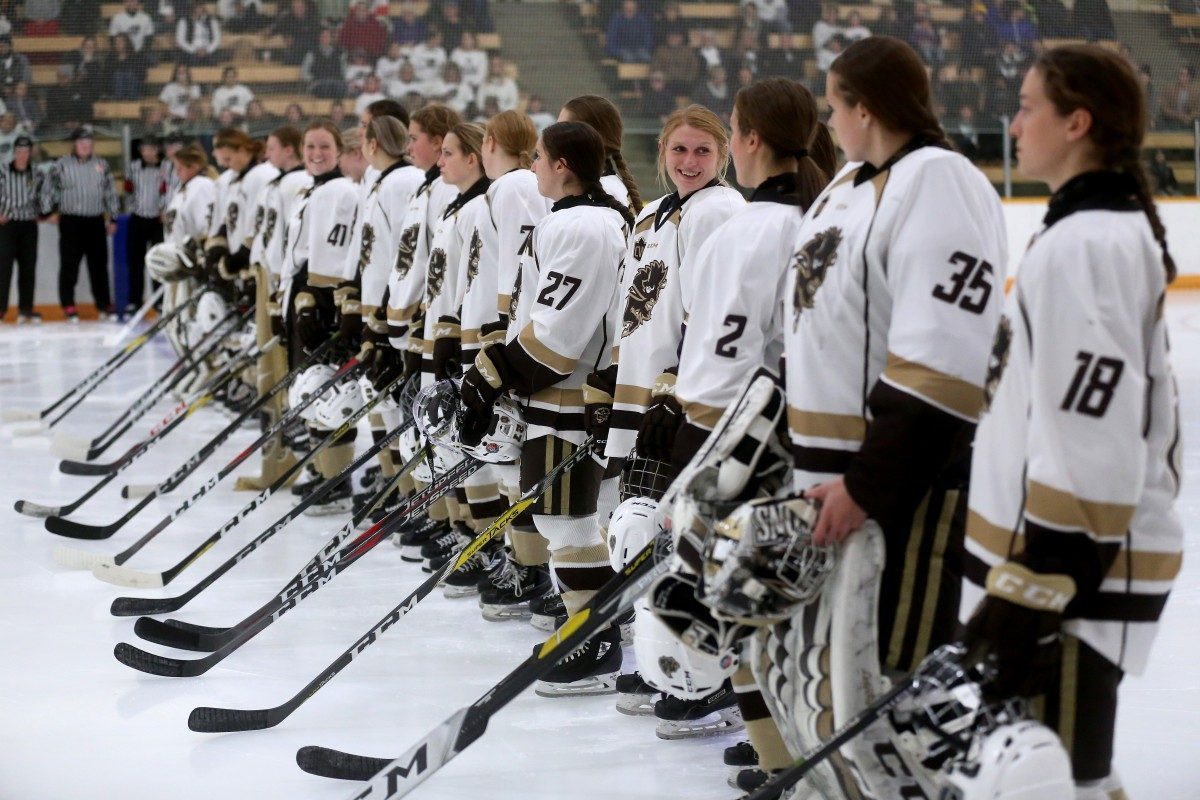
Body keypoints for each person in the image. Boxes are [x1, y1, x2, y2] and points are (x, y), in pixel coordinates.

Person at [736, 37, 1005, 796]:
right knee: (828, 697)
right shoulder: (846, 186)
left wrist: (870, 484)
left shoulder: (940, 183)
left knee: (890, 692)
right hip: (822, 491)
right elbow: (810, 334)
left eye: (834, 102)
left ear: (867, 107)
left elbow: (947, 361)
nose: (827, 117)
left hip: (898, 492)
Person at [961, 45, 1183, 799]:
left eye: (1028, 107)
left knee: (1057, 781)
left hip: (1072, 563)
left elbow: (1094, 425)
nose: (1015, 123)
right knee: (1073, 777)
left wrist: (1045, 577)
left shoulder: (1088, 243)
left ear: (1077, 122)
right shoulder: (1086, 231)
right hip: (1065, 555)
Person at [457, 120, 633, 695]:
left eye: (538, 157)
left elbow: (559, 336)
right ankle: (590, 623)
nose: (531, 167)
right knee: (571, 516)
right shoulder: (577, 220)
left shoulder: (586, 225)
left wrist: (492, 375)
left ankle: (597, 640)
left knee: (568, 518)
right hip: (561, 393)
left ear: (562, 165)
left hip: (572, 395)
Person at [383, 102, 461, 554]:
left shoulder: (447, 193)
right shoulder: (428, 188)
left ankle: (456, 522)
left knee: (443, 424)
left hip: (440, 323)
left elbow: (441, 267)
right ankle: (437, 513)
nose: (408, 146)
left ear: (437, 140)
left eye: (415, 137)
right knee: (424, 420)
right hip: (421, 319)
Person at [279, 120, 364, 513]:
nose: (316, 153)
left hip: (324, 297)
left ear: (339, 151)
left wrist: (318, 305)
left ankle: (336, 480)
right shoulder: (309, 189)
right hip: (304, 293)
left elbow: (337, 258)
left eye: (324, 146)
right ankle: (322, 469)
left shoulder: (340, 190)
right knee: (308, 386)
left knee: (325, 386)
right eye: (310, 146)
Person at [233, 124, 312, 492]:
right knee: (267, 372)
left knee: (282, 374)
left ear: (290, 149)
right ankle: (276, 458)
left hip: (281, 284)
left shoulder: (297, 185)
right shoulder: (277, 183)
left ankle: (290, 461)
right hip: (268, 279)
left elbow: (291, 241)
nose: (267, 153)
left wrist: (280, 291)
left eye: (273, 147)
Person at [352, 114, 424, 506]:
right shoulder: (383, 180)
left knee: (396, 398)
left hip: (396, 307)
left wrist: (386, 307)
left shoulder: (402, 181)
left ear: (373, 143)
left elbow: (405, 252)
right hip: (380, 303)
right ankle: (392, 479)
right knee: (378, 392)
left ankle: (407, 487)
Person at [42, 125, 121, 322]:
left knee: (99, 265)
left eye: (88, 142)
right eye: (81, 142)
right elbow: (47, 188)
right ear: (74, 144)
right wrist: (48, 211)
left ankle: (103, 304)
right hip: (71, 222)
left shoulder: (102, 165)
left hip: (95, 221)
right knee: (70, 264)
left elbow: (110, 192)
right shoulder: (61, 165)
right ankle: (68, 304)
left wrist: (113, 217)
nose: (85, 145)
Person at [558, 94, 642, 212]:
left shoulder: (597, 193)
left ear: (586, 138)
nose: (554, 135)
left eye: (562, 129)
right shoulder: (609, 184)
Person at [0, 136, 42, 324]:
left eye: (26, 151)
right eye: (19, 151)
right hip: (7, 225)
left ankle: (25, 309)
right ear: (14, 152)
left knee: (28, 268)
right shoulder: (2, 171)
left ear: (30, 152)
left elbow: (45, 195)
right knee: (3, 268)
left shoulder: (37, 173)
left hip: (28, 225)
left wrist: (42, 213)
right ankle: (0, 310)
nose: (22, 155)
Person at [124, 136, 165, 312]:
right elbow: (128, 190)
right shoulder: (132, 168)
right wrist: (135, 208)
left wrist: (164, 209)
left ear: (157, 150)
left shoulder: (166, 167)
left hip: (158, 220)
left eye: (151, 148)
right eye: (145, 149)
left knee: (158, 262)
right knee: (135, 262)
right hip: (138, 219)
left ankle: (160, 301)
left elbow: (167, 190)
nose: (148, 152)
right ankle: (135, 300)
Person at [302, 27, 348, 99]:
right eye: (323, 36)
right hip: (319, 84)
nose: (325, 38)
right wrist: (313, 80)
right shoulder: (312, 52)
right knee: (325, 89)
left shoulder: (340, 52)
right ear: (319, 38)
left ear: (331, 38)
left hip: (336, 83)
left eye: (327, 36)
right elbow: (304, 72)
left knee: (339, 89)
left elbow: (344, 71)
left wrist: (343, 80)